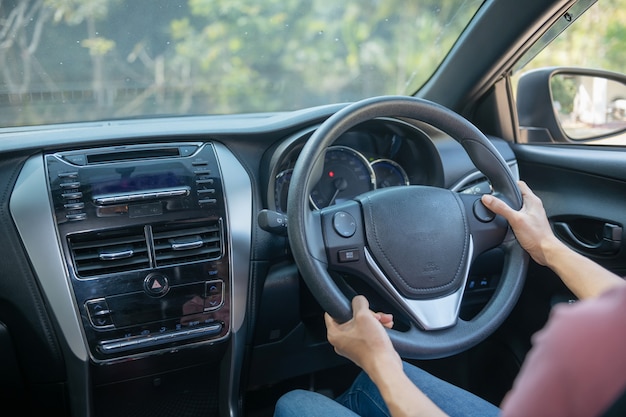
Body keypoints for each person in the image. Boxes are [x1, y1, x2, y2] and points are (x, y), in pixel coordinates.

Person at [274, 181, 626, 417]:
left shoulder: (582, 337)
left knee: (297, 404)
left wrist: (378, 359)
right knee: (370, 385)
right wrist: (545, 246)